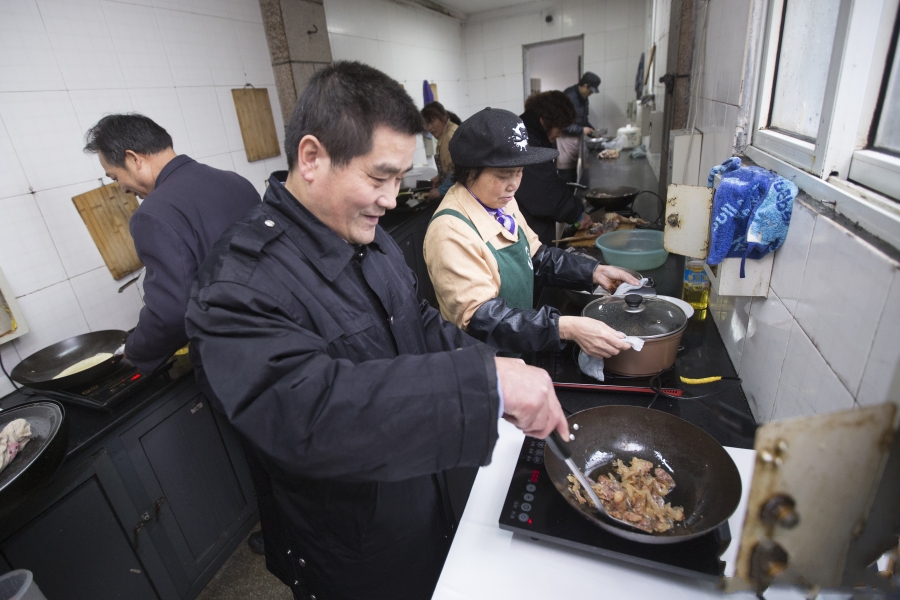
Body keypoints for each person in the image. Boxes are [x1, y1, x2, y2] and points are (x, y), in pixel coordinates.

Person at [183, 61, 569, 600]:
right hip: (353, 544)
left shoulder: (365, 233)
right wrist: (485, 387)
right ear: (312, 157)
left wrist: (492, 364)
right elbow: (309, 414)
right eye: (378, 177)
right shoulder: (238, 282)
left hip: (423, 487)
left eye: (399, 179)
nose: (391, 199)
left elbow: (418, 320)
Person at [83, 114, 265, 554]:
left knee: (268, 459)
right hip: (280, 335)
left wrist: (135, 351)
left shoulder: (154, 214)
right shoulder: (233, 181)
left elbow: (170, 311)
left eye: (115, 176)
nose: (121, 188)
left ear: (134, 159)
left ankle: (293, 543)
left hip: (235, 360)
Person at [422, 107, 638, 359]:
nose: (514, 185)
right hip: (485, 364)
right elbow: (483, 319)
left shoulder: (501, 201)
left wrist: (593, 272)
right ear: (469, 172)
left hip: (519, 346)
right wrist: (564, 327)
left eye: (520, 171)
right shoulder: (450, 231)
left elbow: (536, 257)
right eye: (504, 175)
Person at [516, 91, 591, 246]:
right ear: (546, 119)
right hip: (528, 232)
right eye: (559, 127)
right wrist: (576, 213)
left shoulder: (529, 133)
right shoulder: (527, 141)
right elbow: (543, 191)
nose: (559, 134)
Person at [557, 71, 601, 183]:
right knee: (566, 175)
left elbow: (584, 120)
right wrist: (581, 129)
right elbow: (560, 124)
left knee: (573, 174)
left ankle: (572, 193)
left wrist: (593, 132)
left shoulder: (584, 97)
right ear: (585, 86)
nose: (591, 94)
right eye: (590, 91)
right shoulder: (569, 96)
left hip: (575, 140)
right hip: (564, 141)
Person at [421, 101, 460, 201]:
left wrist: (441, 190)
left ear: (443, 117)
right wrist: (439, 176)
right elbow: (449, 164)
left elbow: (456, 170)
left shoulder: (449, 136)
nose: (430, 128)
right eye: (427, 124)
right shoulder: (445, 134)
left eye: (432, 122)